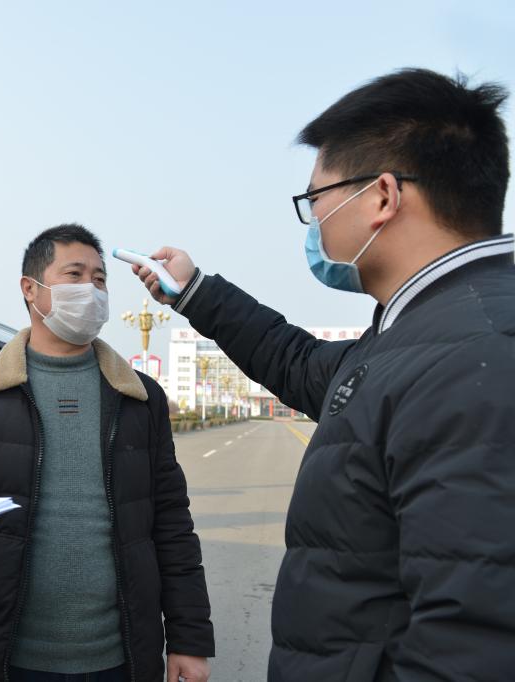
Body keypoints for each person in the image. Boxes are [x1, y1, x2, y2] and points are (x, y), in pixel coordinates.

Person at [132, 69, 514, 680]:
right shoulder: (421, 333)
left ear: (382, 197)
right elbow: (300, 362)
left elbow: (471, 646)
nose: (313, 223)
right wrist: (196, 291)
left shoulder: (479, 355)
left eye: (315, 200)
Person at [0, 224, 215, 682]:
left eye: (100, 279)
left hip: (121, 658)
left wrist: (189, 639)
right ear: (30, 289)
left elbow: (171, 524)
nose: (92, 289)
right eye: (75, 274)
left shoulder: (139, 397)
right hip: (6, 660)